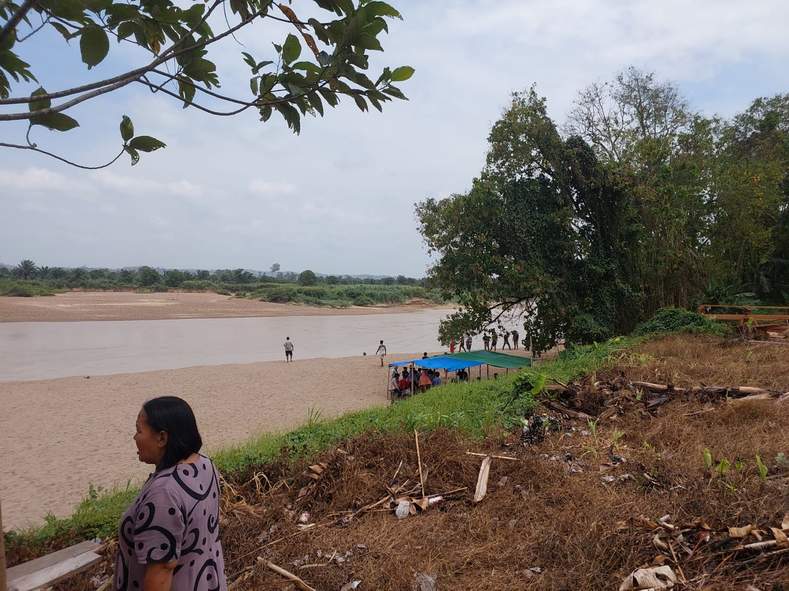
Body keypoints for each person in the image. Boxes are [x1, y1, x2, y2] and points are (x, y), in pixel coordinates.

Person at [115, 396, 227, 591]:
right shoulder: (204, 465)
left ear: (162, 438)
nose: (134, 437)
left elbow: (162, 570)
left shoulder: (164, 493)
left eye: (139, 430)